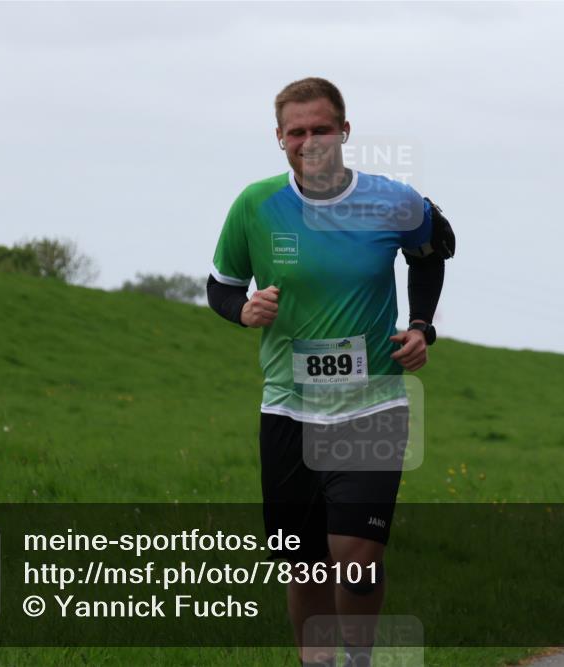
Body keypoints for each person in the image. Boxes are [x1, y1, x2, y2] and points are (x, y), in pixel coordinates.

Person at [206, 77, 454, 667]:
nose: (310, 141)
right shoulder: (255, 205)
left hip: (373, 403)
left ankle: (360, 659)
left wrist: (421, 325)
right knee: (306, 562)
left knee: (357, 553)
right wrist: (242, 311)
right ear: (279, 138)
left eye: (322, 129)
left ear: (345, 131)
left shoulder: (393, 200)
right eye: (298, 131)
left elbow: (432, 250)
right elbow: (221, 285)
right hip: (289, 405)